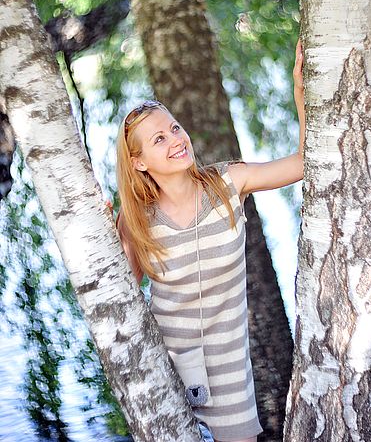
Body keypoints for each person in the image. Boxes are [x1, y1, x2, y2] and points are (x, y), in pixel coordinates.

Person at [114, 40, 305, 442]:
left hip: (230, 371)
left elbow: (304, 163)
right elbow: (122, 297)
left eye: (174, 128)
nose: (176, 140)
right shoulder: (137, 221)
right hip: (165, 370)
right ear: (139, 162)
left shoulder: (228, 183)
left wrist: (300, 93)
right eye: (159, 140)